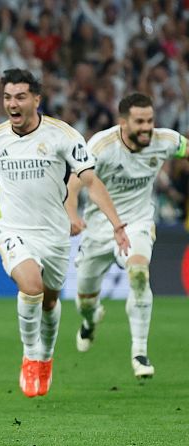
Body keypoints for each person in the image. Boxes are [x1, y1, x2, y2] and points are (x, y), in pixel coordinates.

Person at [0, 68, 129, 398]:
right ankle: (30, 354)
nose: (12, 104)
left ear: (36, 99)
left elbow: (90, 181)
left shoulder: (63, 136)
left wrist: (117, 224)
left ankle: (45, 358)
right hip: (14, 228)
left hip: (55, 234)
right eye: (7, 97)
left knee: (49, 301)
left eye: (19, 97)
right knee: (30, 286)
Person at [66, 92, 186, 379]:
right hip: (98, 228)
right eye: (139, 121)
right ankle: (90, 319)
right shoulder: (101, 145)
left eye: (150, 120)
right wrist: (71, 214)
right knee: (84, 298)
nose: (147, 127)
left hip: (137, 222)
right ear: (123, 123)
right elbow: (73, 183)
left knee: (139, 273)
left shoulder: (165, 141)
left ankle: (140, 353)